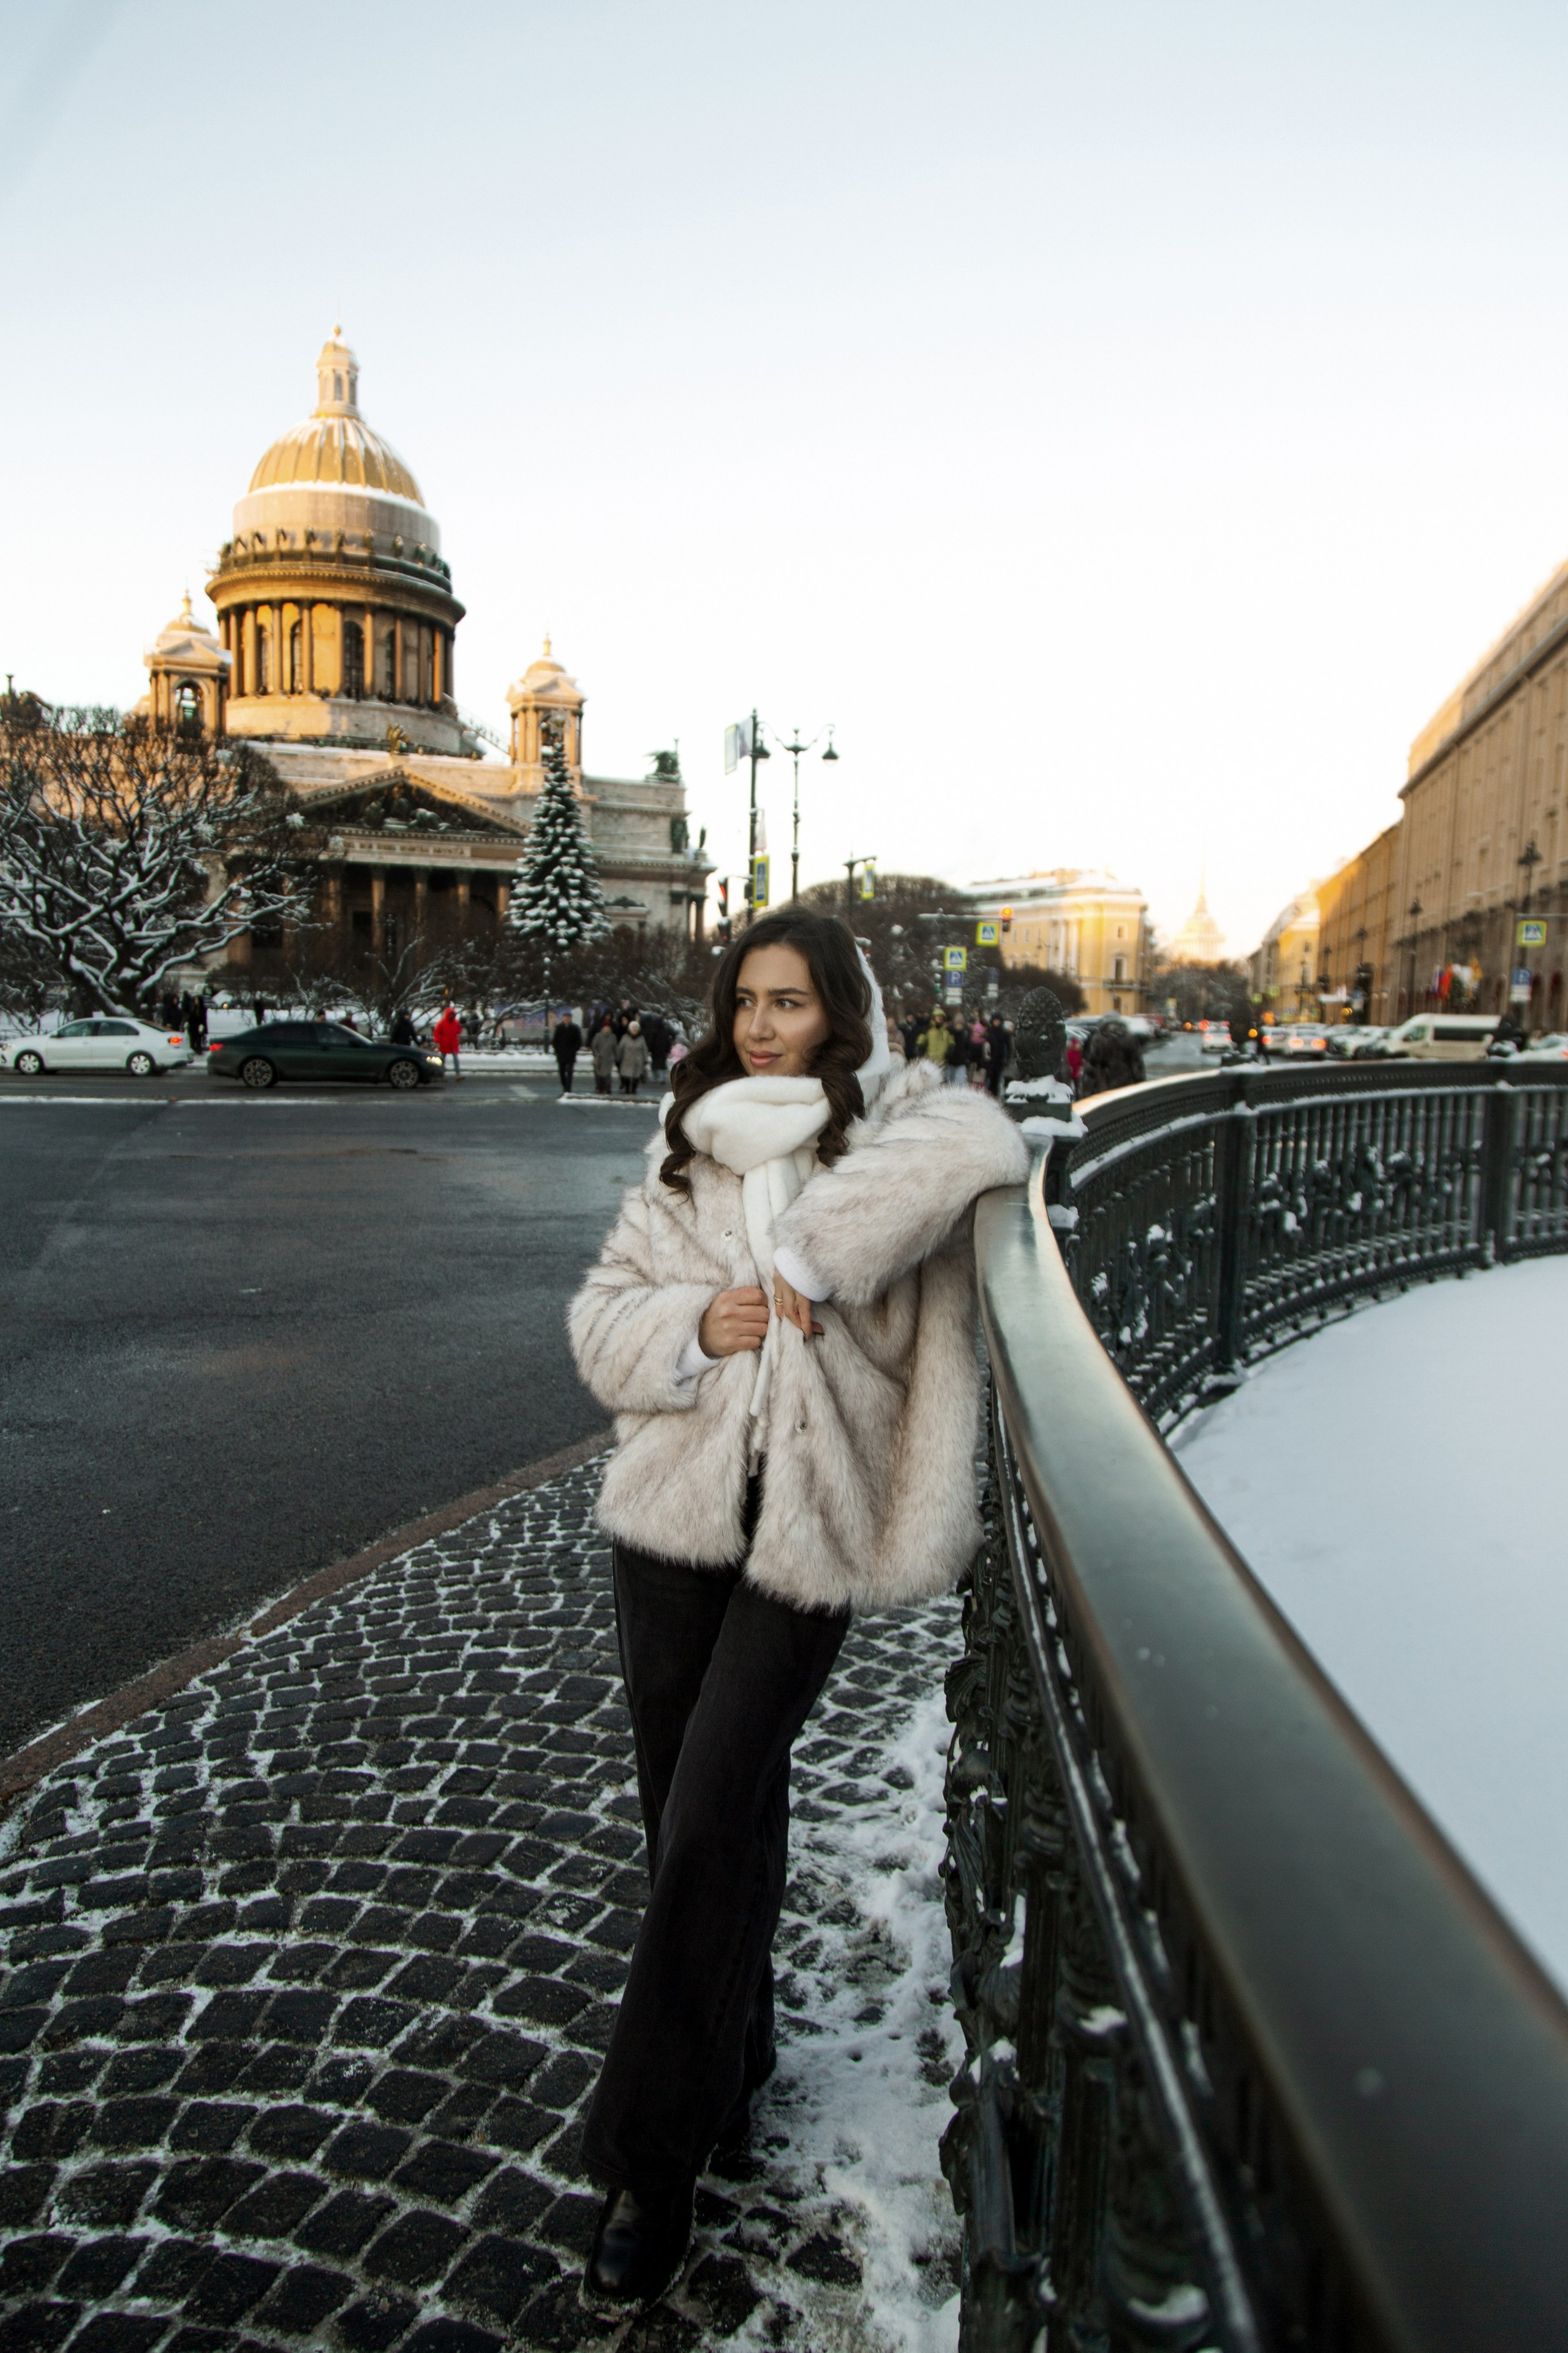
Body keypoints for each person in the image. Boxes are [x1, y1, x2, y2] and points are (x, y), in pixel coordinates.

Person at [568, 907, 1028, 2312]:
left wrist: (806, 1264)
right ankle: (736, 2051)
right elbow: (601, 1316)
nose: (762, 1026)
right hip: (675, 1520)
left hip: (811, 1531)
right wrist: (689, 1326)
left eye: (790, 1001)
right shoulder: (688, 1137)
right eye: (745, 1001)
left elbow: (980, 1142)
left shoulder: (890, 1121)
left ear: (837, 1009)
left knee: (715, 1803)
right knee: (693, 1819)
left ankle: (648, 2163)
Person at [1080, 1017, 1145, 1095]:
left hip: (1104, 1084)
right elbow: (1137, 1064)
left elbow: (1092, 1066)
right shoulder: (1130, 1038)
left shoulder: (1098, 1039)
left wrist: (1087, 1091)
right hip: (1126, 1084)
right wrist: (1140, 1084)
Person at [617, 1019, 650, 1095]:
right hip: (627, 1060)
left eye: (636, 1028)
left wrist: (645, 1059)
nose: (634, 1030)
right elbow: (620, 1048)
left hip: (638, 1061)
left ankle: (634, 1090)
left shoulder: (641, 1038)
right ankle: (627, 1089)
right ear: (630, 1029)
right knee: (626, 1076)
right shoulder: (625, 1037)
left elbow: (645, 1049)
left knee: (636, 1077)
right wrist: (618, 1058)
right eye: (633, 1028)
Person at [554, 1012, 584, 1094]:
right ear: (563, 1018)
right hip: (561, 1054)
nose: (567, 1019)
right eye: (565, 1017)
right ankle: (564, 1085)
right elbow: (555, 1040)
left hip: (571, 1054)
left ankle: (568, 1089)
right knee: (562, 1072)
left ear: (571, 1019)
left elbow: (579, 1041)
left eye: (568, 1017)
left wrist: (575, 1049)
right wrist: (557, 1050)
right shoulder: (559, 1028)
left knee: (570, 1072)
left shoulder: (575, 1028)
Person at [432, 1002, 463, 1078]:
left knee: (455, 1058)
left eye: (453, 1015)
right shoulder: (442, 1023)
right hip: (445, 1044)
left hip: (453, 1043)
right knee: (442, 1059)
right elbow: (436, 1032)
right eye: (450, 1015)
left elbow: (459, 1030)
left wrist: (459, 1031)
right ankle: (440, 1073)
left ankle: (457, 1073)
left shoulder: (456, 1023)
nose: (452, 1016)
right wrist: (437, 1041)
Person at [592, 1017, 619, 1096]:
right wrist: (597, 1054)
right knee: (600, 1074)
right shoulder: (598, 1036)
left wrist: (616, 1057)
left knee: (608, 1074)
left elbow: (615, 1048)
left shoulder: (613, 1037)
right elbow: (594, 1046)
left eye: (608, 1027)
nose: (607, 1029)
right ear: (603, 1028)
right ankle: (601, 1088)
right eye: (605, 1027)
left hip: (609, 1059)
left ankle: (608, 1088)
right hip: (600, 1058)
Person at [642, 1012, 671, 1082]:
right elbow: (668, 1042)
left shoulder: (653, 1031)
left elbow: (650, 1041)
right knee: (662, 1065)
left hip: (655, 1051)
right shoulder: (665, 1031)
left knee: (655, 1064)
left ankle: (654, 1078)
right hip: (663, 1051)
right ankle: (662, 1078)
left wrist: (649, 1049)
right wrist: (668, 1050)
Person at [985, 1014, 1009, 1097]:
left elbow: (1009, 1046)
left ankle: (995, 1095)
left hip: (999, 1059)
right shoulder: (989, 1032)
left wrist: (1007, 1058)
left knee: (997, 1079)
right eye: (995, 1021)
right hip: (989, 1059)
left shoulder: (1004, 1033)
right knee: (988, 1078)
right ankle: (988, 1095)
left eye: (998, 1021)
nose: (996, 1022)